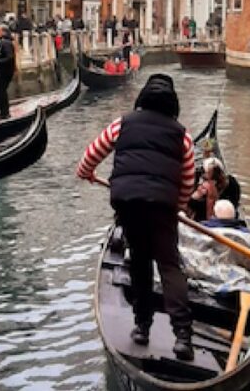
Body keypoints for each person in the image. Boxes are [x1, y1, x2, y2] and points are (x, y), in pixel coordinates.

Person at [76, 74, 196, 360]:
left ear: (142, 98)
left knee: (140, 262)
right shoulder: (183, 136)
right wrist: (176, 207)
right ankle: (183, 338)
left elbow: (90, 155)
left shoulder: (123, 123)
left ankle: (142, 328)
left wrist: (87, 174)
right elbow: (188, 181)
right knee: (169, 265)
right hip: (163, 206)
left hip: (128, 202)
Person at [189, 157, 241, 222]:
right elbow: (190, 204)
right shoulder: (198, 179)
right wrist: (197, 196)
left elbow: (232, 206)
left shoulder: (231, 184)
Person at [0, 24, 16, 120]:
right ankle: (4, 112)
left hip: (5, 71)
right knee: (1, 91)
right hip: (3, 70)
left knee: (1, 91)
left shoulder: (5, 43)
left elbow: (9, 57)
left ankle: (4, 113)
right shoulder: (3, 42)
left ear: (3, 32)